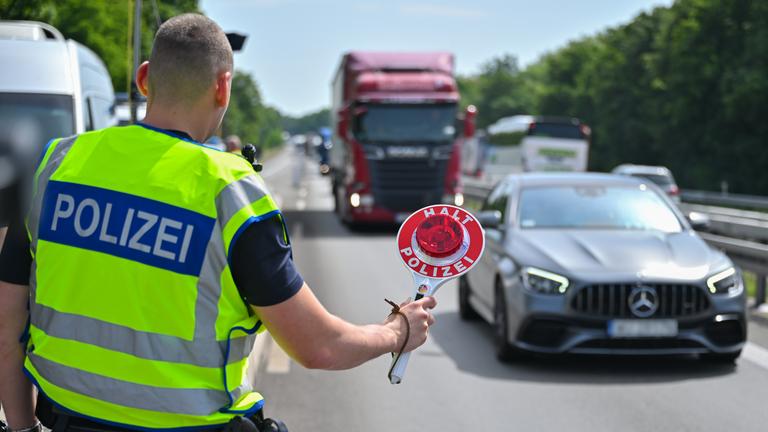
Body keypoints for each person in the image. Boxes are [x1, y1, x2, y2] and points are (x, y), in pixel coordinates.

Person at [0, 13, 436, 432]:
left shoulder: (55, 165)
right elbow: (318, 347)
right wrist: (395, 332)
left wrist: (21, 428)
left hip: (65, 420)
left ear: (144, 78)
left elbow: (5, 326)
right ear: (223, 88)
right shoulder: (232, 193)